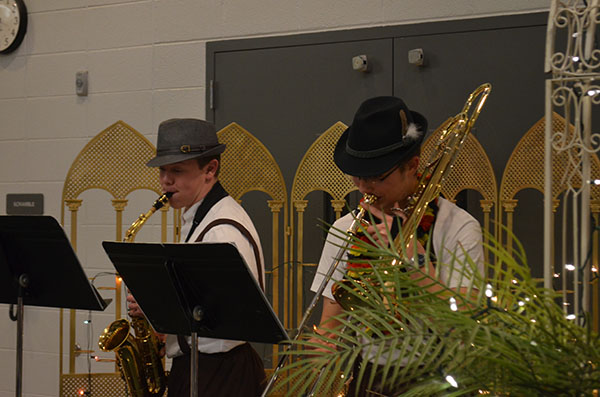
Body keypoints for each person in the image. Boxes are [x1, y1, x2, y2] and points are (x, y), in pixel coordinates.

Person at [309, 96, 485, 395]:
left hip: (439, 378)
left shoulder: (458, 227)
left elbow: (467, 320)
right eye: (357, 176)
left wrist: (415, 263)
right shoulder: (346, 228)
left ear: (413, 166)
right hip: (369, 377)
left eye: (376, 177)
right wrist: (313, 366)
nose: (363, 188)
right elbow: (331, 323)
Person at [126, 118, 266, 397]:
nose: (166, 180)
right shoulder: (200, 216)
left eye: (177, 170)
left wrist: (159, 308)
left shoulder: (223, 230)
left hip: (218, 374)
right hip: (202, 369)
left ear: (210, 170)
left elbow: (228, 318)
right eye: (163, 170)